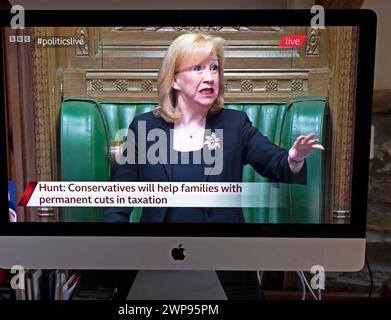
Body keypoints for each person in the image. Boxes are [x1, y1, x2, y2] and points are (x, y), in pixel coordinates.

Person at [104, 33, 324, 299]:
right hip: (158, 258)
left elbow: (277, 162)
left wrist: (294, 157)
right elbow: (119, 198)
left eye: (214, 68)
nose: (209, 77)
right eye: (197, 68)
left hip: (226, 263)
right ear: (174, 79)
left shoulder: (235, 125)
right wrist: (115, 254)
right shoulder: (144, 127)